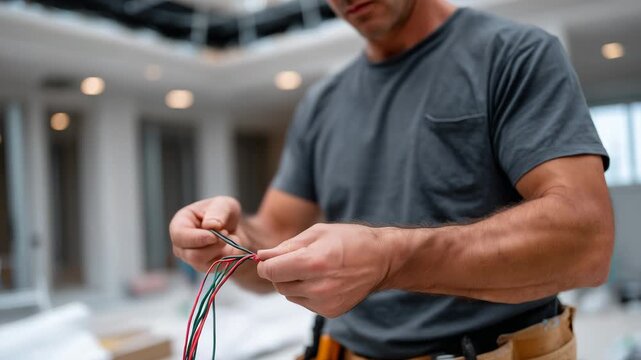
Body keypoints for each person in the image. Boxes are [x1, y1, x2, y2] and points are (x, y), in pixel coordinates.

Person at [170, 0, 614, 358]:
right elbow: (274, 236)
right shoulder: (321, 105)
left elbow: (586, 240)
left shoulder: (514, 55)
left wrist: (390, 258)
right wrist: (228, 239)